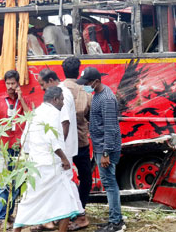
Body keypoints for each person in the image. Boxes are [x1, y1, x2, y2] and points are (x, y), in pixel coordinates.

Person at [13, 86, 83, 232]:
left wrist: (31, 157)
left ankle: (16, 229)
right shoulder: (53, 113)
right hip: (52, 167)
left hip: (36, 166)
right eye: (62, 100)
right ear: (55, 99)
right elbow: (52, 139)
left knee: (29, 202)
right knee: (67, 203)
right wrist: (64, 159)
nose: (63, 103)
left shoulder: (37, 112)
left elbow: (24, 140)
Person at [77, 67, 125, 232]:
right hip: (100, 146)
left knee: (110, 184)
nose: (84, 86)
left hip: (106, 149)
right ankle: (114, 219)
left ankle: (116, 223)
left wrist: (105, 153)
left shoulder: (106, 99)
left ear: (95, 82)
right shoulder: (97, 95)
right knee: (109, 183)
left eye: (86, 83)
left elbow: (111, 128)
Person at [36, 68, 80, 230]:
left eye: (42, 85)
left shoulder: (60, 95)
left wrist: (60, 151)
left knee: (65, 184)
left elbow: (65, 123)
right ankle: (58, 219)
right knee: (63, 184)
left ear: (50, 81)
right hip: (63, 150)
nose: (42, 89)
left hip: (63, 150)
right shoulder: (62, 92)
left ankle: (79, 217)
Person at [0, 70, 30, 226]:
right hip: (3, 148)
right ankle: (1, 217)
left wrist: (21, 99)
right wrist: (2, 126)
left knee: (17, 184)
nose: (10, 86)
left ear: (18, 84)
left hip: (19, 147)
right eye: (8, 83)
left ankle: (10, 214)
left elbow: (30, 116)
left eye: (13, 83)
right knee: (3, 183)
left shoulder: (23, 101)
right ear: (4, 84)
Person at [61, 57, 93, 230]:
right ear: (78, 70)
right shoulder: (86, 89)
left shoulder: (58, 88)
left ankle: (65, 212)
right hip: (81, 141)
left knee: (63, 178)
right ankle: (80, 209)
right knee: (85, 177)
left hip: (63, 144)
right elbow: (91, 115)